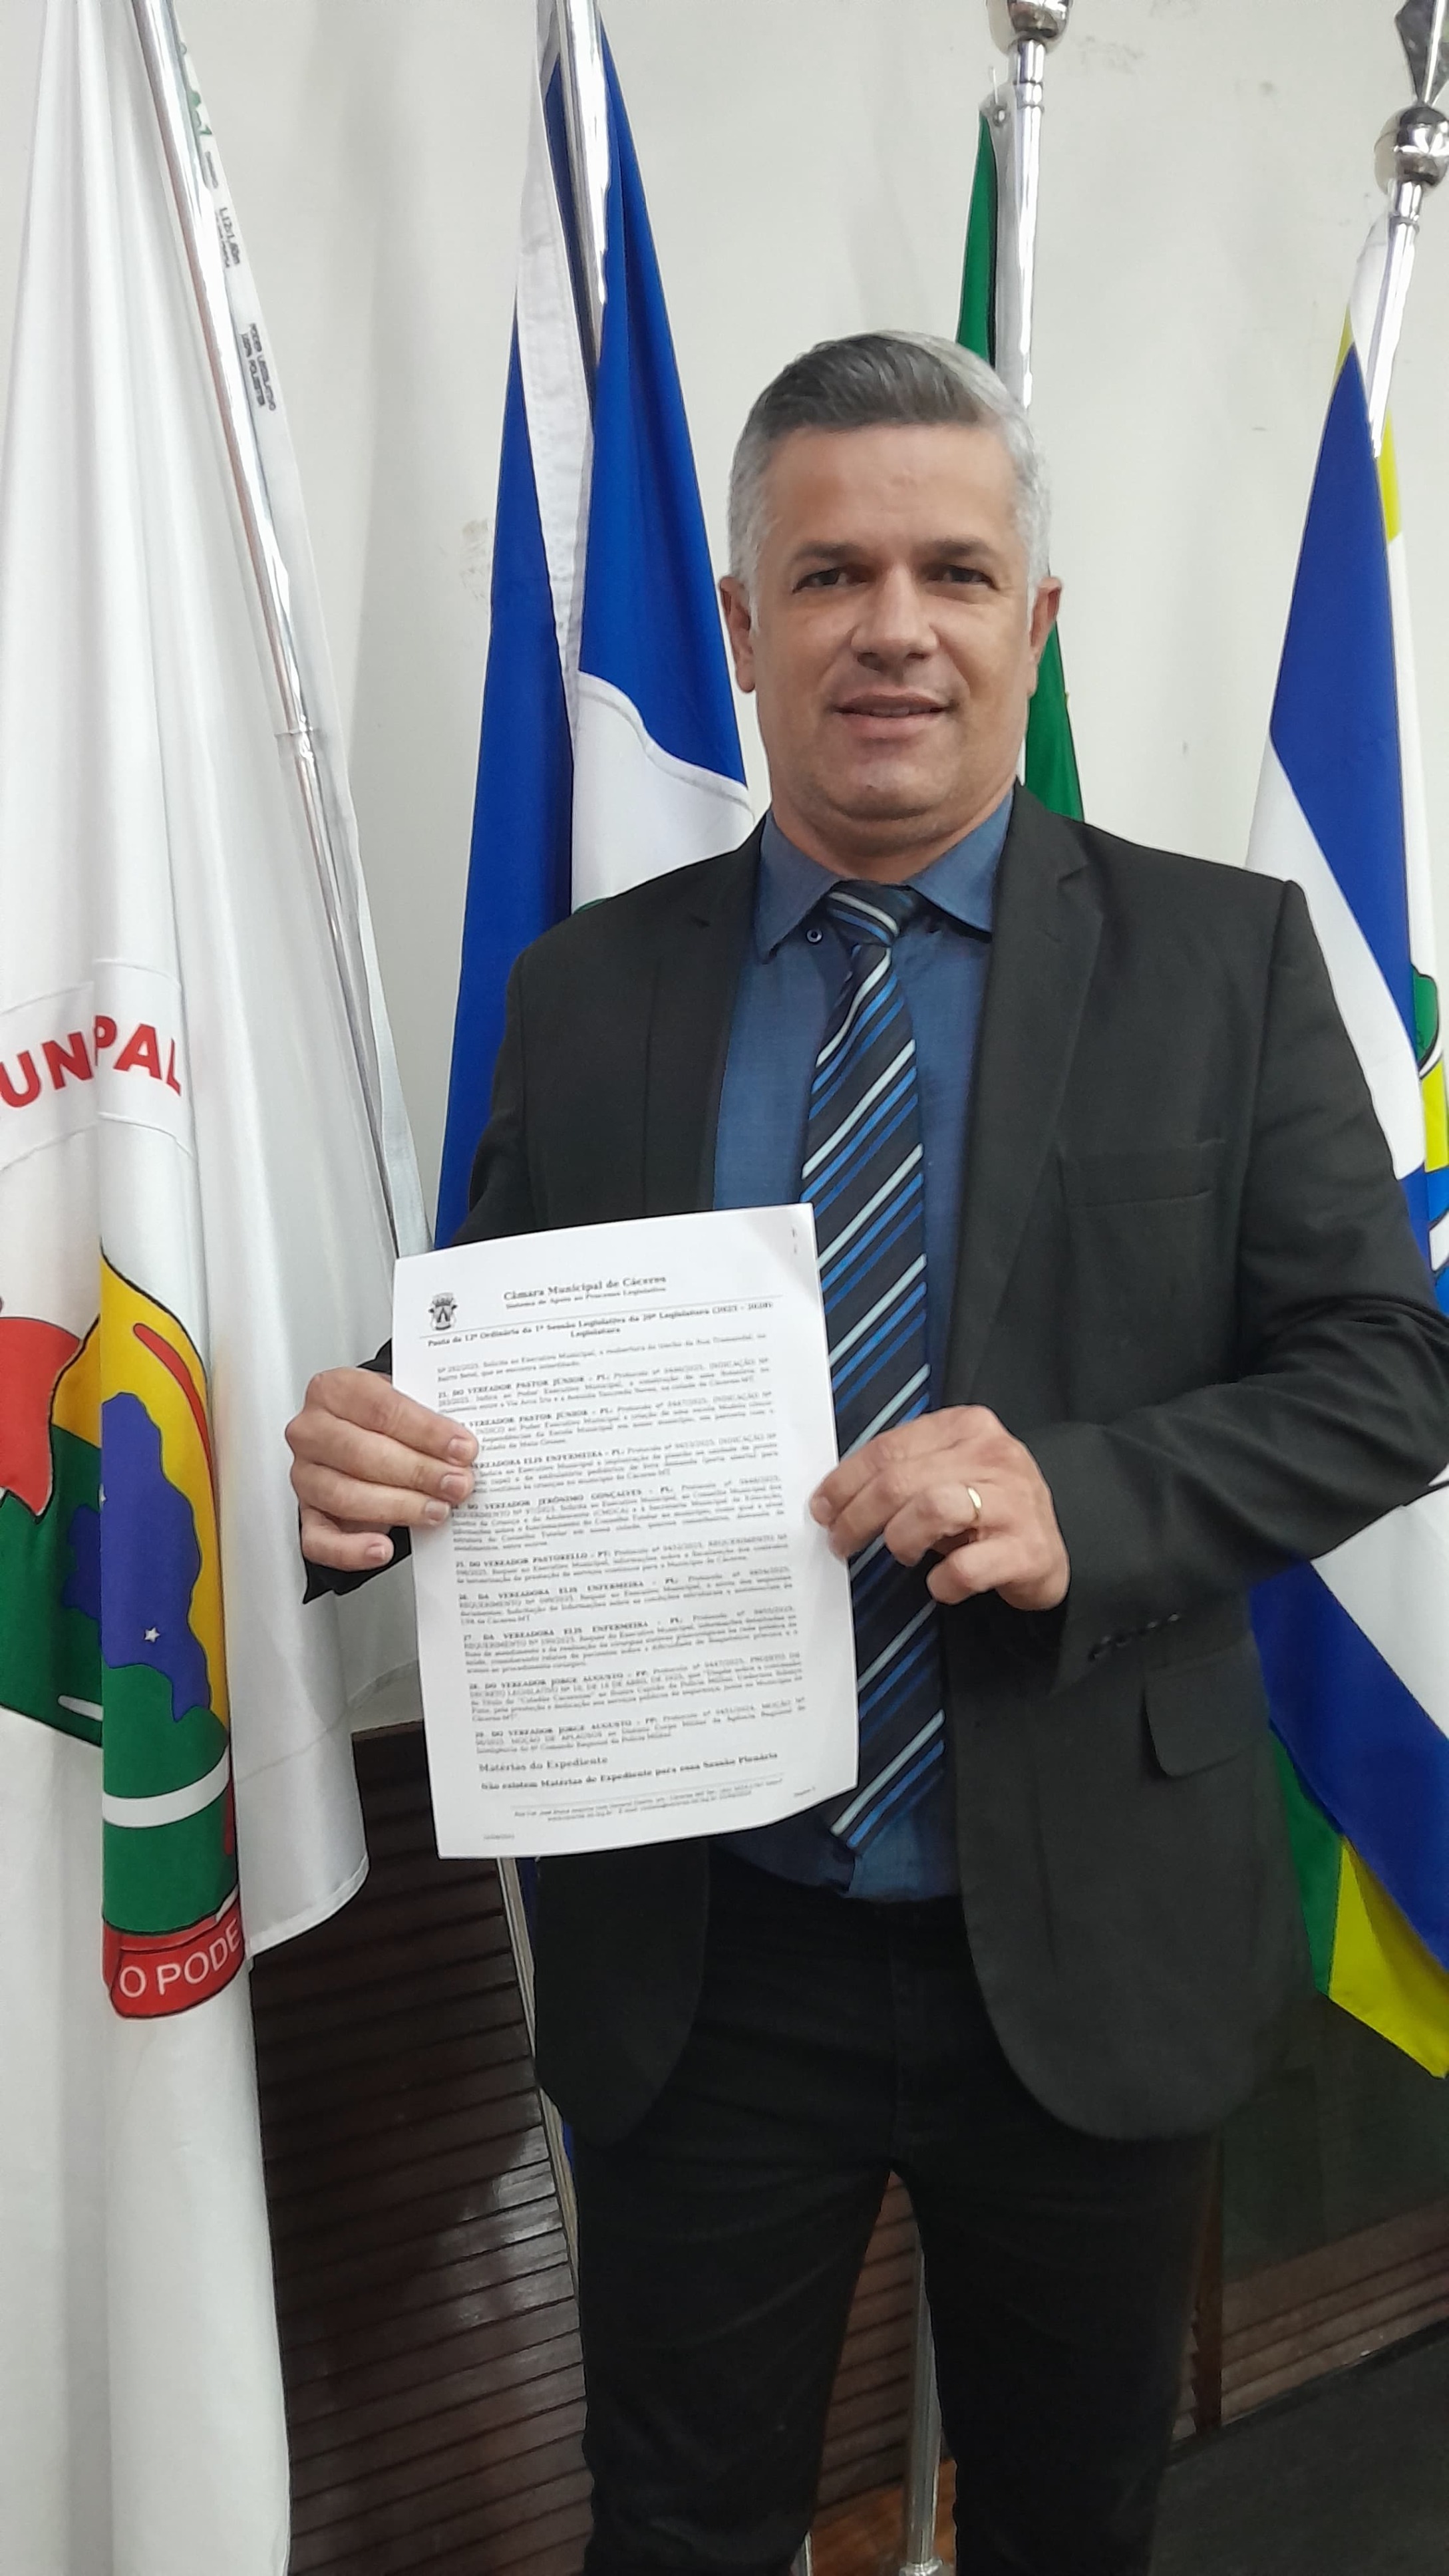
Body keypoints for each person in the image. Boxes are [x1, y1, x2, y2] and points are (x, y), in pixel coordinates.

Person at [286, 333, 1449, 2576]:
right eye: (827, 576)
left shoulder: (1220, 960)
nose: (890, 627)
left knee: (1067, 2527)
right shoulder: (587, 990)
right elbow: (511, 1369)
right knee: (681, 2528)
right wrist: (361, 1463)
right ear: (741, 629)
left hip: (1091, 1927)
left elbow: (1390, 1376)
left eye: (951, 572)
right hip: (705, 1951)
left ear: (1035, 619)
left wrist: (1083, 1493)